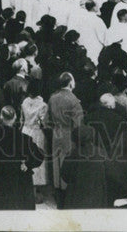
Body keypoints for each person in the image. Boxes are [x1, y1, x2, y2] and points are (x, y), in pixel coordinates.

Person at [0, 106, 43, 210]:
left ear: (1, 117)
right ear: (15, 118)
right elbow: (39, 156)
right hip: (19, 183)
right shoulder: (24, 139)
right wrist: (27, 164)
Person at [49, 72, 84, 207]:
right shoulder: (74, 100)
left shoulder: (53, 97)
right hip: (68, 134)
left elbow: (48, 119)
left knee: (56, 162)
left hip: (55, 132)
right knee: (67, 162)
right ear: (70, 83)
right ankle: (66, 195)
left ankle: (57, 192)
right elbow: (78, 124)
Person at [60, 124, 108, 209]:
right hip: (97, 195)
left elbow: (64, 175)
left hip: (75, 195)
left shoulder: (72, 154)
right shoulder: (101, 152)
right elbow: (108, 172)